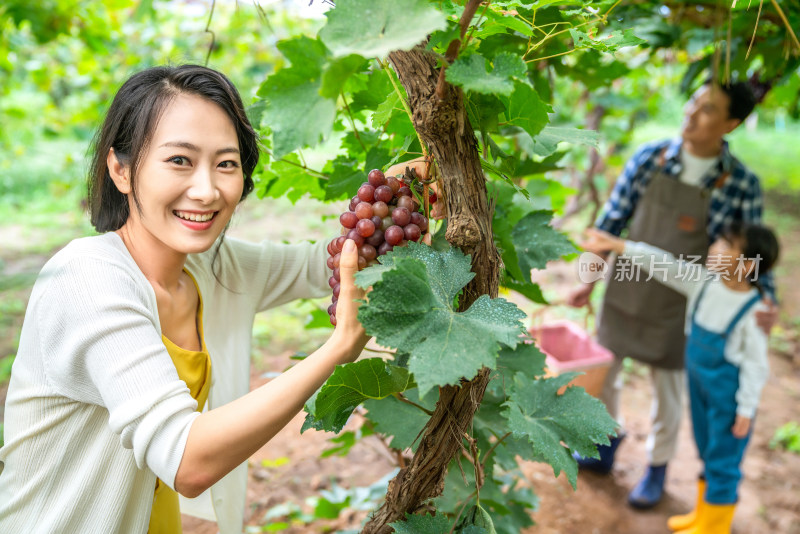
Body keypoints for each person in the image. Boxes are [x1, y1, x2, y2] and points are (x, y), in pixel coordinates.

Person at [0, 65, 372, 534]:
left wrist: (402, 193)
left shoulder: (213, 268)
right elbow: (188, 461)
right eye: (179, 160)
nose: (206, 189)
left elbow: (331, 261)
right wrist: (337, 350)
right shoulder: (86, 280)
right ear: (121, 169)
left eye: (226, 163)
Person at [567, 79, 778, 509]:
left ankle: (657, 469)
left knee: (670, 391)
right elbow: (610, 224)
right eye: (693, 103)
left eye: (707, 110)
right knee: (606, 374)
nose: (691, 113)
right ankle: (602, 444)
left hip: (684, 302)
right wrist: (588, 277)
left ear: (731, 124)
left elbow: (753, 255)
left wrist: (765, 302)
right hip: (627, 288)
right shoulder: (650, 159)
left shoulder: (740, 184)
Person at [580, 222, 779, 534]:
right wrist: (620, 246)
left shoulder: (753, 311)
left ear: (748, 265)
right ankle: (703, 514)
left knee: (723, 458)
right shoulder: (703, 283)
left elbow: (756, 366)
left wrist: (745, 409)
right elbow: (663, 264)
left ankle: (715, 525)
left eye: (727, 246)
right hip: (700, 388)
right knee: (705, 446)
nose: (714, 248)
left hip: (729, 397)